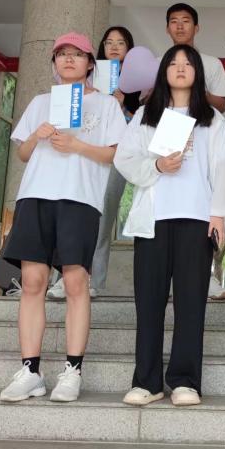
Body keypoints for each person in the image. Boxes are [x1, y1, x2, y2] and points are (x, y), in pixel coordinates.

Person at [0, 32, 127, 404]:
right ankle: (30, 371)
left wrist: (77, 145)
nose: (69, 59)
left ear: (90, 63)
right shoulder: (41, 102)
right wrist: (35, 137)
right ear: (54, 63)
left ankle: (73, 371)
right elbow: (23, 154)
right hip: (35, 195)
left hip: (79, 198)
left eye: (77, 54)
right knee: (32, 281)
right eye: (62, 54)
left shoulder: (106, 105)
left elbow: (115, 155)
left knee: (75, 282)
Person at [115, 45, 225, 407]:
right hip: (154, 219)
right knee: (149, 303)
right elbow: (125, 157)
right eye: (173, 63)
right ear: (163, 71)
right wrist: (157, 165)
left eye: (188, 63)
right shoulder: (146, 115)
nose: (181, 68)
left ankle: (185, 381)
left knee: (191, 304)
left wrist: (219, 214)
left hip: (197, 219)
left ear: (198, 72)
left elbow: (223, 168)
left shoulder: (212, 119)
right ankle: (147, 381)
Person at [47, 25, 137, 300]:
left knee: (102, 217)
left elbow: (141, 126)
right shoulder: (84, 81)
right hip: (77, 156)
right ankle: (63, 277)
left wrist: (123, 105)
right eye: (109, 42)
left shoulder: (138, 85)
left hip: (115, 157)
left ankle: (93, 279)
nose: (114, 47)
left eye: (121, 42)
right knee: (70, 216)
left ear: (129, 49)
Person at [164, 2, 225, 301]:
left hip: (202, 136)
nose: (180, 26)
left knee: (203, 205)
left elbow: (222, 104)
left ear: (197, 27)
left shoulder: (211, 63)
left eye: (186, 21)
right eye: (174, 21)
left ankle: (207, 277)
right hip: (168, 139)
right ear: (167, 28)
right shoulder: (159, 63)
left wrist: (193, 89)